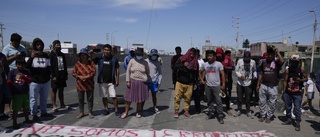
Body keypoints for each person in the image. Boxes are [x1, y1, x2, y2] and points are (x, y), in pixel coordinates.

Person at [26, 38, 52, 121]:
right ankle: (34, 114)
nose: (39, 46)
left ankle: (43, 112)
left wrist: (49, 76)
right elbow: (26, 67)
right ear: (34, 46)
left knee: (44, 98)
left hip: (45, 81)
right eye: (37, 45)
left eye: (40, 45)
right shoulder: (29, 56)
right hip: (34, 81)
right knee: (33, 98)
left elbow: (49, 67)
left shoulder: (46, 56)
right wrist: (31, 57)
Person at [1, 33, 27, 119]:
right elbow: (4, 60)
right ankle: (8, 108)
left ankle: (21, 106)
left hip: (20, 71)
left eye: (19, 42)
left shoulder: (22, 47)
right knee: (10, 90)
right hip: (11, 72)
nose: (18, 44)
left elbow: (26, 57)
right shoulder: (6, 48)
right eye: (16, 42)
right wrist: (15, 57)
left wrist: (22, 56)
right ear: (12, 41)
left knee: (19, 88)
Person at [256, 47, 284, 124]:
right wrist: (258, 85)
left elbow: (282, 61)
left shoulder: (276, 63)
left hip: (273, 86)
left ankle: (269, 117)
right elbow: (261, 74)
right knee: (262, 102)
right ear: (267, 55)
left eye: (272, 54)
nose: (270, 56)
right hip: (263, 85)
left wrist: (277, 52)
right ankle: (262, 115)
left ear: (273, 55)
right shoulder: (264, 62)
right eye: (269, 54)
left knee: (272, 102)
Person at [91, 44, 120, 116]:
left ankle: (116, 110)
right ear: (103, 50)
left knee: (114, 96)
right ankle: (106, 109)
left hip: (111, 81)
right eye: (105, 50)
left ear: (111, 51)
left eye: (108, 50)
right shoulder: (99, 58)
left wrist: (117, 79)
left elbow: (117, 69)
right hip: (102, 81)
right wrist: (91, 53)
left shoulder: (114, 59)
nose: (106, 51)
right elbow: (91, 61)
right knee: (104, 96)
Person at [121, 48, 149, 119]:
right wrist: (128, 81)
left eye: (140, 54)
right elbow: (128, 72)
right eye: (137, 54)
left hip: (142, 82)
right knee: (128, 99)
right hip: (132, 81)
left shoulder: (145, 62)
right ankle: (126, 112)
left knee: (139, 99)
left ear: (142, 55)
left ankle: (138, 112)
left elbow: (147, 72)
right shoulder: (132, 61)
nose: (139, 55)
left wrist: (145, 78)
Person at [282, 54, 307, 131]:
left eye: (295, 62)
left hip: (297, 92)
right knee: (288, 106)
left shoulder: (301, 69)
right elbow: (285, 81)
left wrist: (300, 80)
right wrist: (284, 91)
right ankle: (288, 119)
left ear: (298, 62)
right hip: (288, 92)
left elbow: (306, 78)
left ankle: (298, 122)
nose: (294, 63)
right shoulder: (288, 70)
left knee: (297, 108)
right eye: (293, 62)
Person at [200, 50, 225, 124]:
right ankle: (211, 113)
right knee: (209, 100)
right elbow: (200, 72)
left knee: (218, 101)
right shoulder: (205, 64)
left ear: (214, 56)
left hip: (217, 86)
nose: (209, 57)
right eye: (208, 56)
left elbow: (222, 74)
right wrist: (202, 80)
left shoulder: (218, 64)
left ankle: (220, 115)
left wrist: (223, 84)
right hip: (208, 86)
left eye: (211, 56)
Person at [7, 56, 32, 129]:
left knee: (26, 107)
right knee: (16, 108)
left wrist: (23, 77)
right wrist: (11, 91)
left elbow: (30, 81)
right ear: (16, 64)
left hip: (25, 92)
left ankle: (27, 119)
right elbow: (9, 81)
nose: (21, 66)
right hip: (17, 93)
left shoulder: (26, 71)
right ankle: (14, 122)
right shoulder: (12, 72)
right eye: (19, 64)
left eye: (23, 64)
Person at [173, 48, 198, 118]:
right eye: (190, 54)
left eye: (193, 54)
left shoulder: (195, 62)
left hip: (189, 83)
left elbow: (196, 73)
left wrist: (195, 83)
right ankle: (176, 111)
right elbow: (175, 66)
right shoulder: (181, 59)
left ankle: (186, 111)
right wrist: (183, 65)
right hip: (180, 82)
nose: (192, 55)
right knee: (177, 98)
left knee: (188, 98)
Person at [72, 48, 96, 119]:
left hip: (89, 84)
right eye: (81, 55)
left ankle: (90, 112)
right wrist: (80, 77)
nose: (83, 56)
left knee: (90, 99)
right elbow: (74, 73)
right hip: (80, 84)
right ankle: (81, 112)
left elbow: (93, 72)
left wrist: (86, 76)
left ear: (87, 55)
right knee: (80, 99)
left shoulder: (91, 63)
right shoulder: (77, 64)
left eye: (84, 55)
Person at [235, 51, 257, 118]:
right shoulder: (240, 61)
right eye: (245, 58)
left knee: (248, 98)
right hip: (240, 83)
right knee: (239, 98)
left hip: (248, 83)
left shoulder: (253, 62)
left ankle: (248, 111)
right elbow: (236, 70)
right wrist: (240, 76)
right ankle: (239, 109)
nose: (246, 60)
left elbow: (254, 70)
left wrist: (255, 76)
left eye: (248, 59)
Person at [49, 40, 68, 112]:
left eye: (59, 45)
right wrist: (52, 75)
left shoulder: (62, 55)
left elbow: (65, 65)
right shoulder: (51, 55)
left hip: (62, 75)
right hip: (55, 76)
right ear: (53, 46)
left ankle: (62, 104)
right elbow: (50, 66)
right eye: (57, 45)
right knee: (54, 90)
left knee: (61, 90)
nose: (58, 46)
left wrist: (65, 74)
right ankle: (54, 105)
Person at [216, 48, 234, 116]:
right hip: (217, 80)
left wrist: (225, 67)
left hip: (225, 80)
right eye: (217, 54)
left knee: (226, 95)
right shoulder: (215, 59)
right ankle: (219, 109)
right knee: (218, 95)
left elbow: (232, 67)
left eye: (220, 54)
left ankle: (228, 108)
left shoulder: (227, 58)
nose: (219, 56)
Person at [143, 49, 162, 114]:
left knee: (154, 95)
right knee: (144, 96)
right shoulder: (146, 61)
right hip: (146, 81)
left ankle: (155, 107)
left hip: (154, 81)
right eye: (153, 55)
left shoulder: (158, 63)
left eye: (155, 55)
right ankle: (141, 108)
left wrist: (159, 82)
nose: (154, 56)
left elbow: (160, 73)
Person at [193, 49, 204, 114]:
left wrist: (202, 79)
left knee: (197, 95)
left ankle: (198, 109)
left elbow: (203, 70)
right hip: (191, 79)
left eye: (197, 53)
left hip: (198, 79)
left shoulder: (201, 61)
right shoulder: (190, 59)